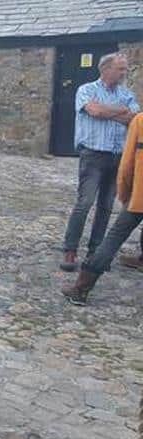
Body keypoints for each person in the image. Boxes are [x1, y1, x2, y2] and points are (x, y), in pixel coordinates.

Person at [60, 53, 139, 271]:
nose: (124, 73)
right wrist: (119, 111)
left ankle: (96, 253)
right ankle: (70, 251)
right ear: (106, 69)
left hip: (117, 156)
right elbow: (93, 110)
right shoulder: (86, 90)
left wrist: (108, 113)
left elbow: (134, 120)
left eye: (125, 69)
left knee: (105, 207)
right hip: (93, 155)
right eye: (120, 69)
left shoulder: (127, 94)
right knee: (84, 203)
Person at [64, 112, 143, 305]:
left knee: (114, 238)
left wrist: (125, 194)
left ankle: (81, 290)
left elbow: (126, 167)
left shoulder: (140, 121)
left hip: (140, 196)